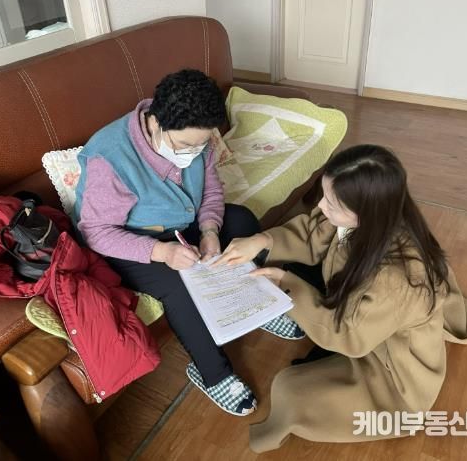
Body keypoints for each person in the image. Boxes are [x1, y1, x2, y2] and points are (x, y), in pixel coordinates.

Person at [214, 144, 467, 450]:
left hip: (392, 369)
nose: (321, 206)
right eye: (325, 195)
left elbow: (349, 337)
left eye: (332, 203)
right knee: (296, 272)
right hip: (364, 318)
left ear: (365, 212)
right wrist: (262, 240)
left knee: (290, 389)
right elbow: (312, 234)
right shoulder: (364, 215)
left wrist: (287, 286)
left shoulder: (398, 279)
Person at [72, 69, 304, 416]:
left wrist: (210, 230)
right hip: (129, 240)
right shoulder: (110, 157)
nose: (194, 152)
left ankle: (254, 305)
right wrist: (161, 252)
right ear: (156, 123)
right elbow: (97, 232)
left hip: (184, 221)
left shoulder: (199, 137)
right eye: (184, 146)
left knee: (242, 222)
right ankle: (213, 372)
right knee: (177, 284)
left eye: (201, 144)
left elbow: (211, 190)